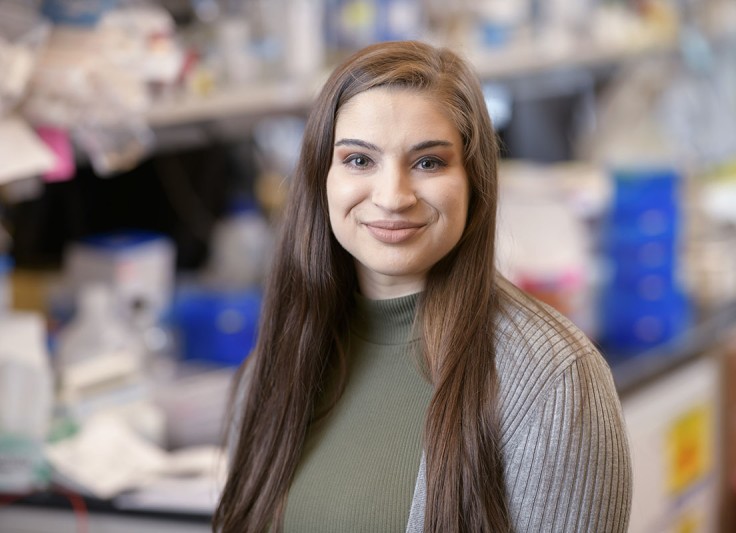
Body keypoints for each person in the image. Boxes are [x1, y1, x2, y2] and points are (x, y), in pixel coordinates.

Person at [214, 40, 632, 533]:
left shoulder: (555, 381)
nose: (393, 197)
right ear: (320, 177)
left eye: (428, 162)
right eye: (359, 160)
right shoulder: (277, 365)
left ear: (474, 180)